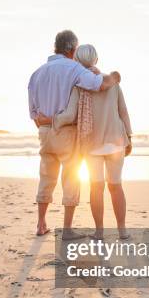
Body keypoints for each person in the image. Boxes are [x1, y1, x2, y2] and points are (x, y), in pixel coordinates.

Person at [28, 30, 121, 239]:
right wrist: (114, 76)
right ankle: (67, 229)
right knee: (70, 178)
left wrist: (46, 125)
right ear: (72, 49)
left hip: (44, 131)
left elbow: (33, 112)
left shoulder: (37, 73)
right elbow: (99, 83)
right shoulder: (75, 68)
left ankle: (41, 224)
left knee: (46, 177)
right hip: (68, 131)